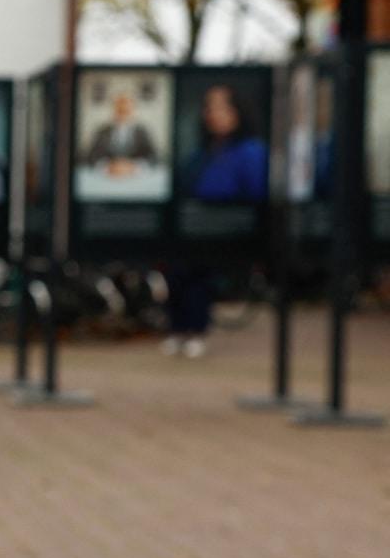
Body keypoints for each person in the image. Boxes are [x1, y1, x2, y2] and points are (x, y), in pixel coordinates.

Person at [163, 85, 270, 359]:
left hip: (224, 231)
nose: (213, 114)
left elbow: (256, 194)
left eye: (221, 107)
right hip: (192, 227)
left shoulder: (250, 152)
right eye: (209, 107)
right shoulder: (202, 152)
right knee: (177, 273)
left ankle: (196, 330)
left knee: (199, 275)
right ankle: (178, 329)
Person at [85, 91, 158, 172]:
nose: (123, 113)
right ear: (114, 109)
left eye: (126, 110)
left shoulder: (142, 131)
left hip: (136, 177)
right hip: (107, 177)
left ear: (133, 110)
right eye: (120, 110)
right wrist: (107, 167)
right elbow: (91, 156)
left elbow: (153, 157)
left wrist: (134, 167)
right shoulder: (102, 131)